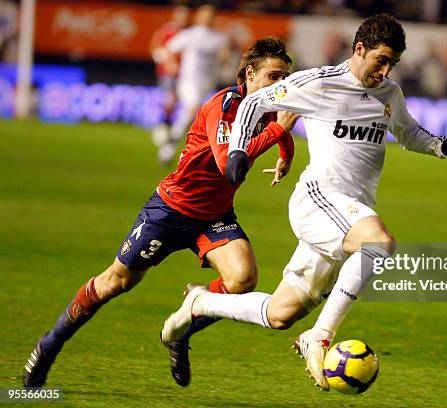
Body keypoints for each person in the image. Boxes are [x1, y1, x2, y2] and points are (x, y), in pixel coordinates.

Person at [161, 14, 447, 390]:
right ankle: (320, 336)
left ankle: (200, 304)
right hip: (319, 200)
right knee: (379, 242)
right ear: (359, 49)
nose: (386, 69)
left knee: (280, 314)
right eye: (381, 59)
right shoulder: (320, 83)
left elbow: (407, 133)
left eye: (393, 63)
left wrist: (441, 146)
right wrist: (237, 150)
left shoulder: (389, 93)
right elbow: (254, 104)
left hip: (349, 216)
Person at [23, 37, 298, 388]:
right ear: (250, 74)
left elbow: (279, 123)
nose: (282, 84)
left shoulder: (269, 106)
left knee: (243, 279)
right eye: (274, 76)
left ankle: (181, 330)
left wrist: (285, 153)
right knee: (116, 282)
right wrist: (279, 132)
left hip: (214, 216)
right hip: (170, 210)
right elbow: (228, 166)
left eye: (286, 77)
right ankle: (49, 345)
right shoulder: (224, 106)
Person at [157, 4, 231, 165]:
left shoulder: (219, 38)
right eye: (205, 14)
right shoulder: (189, 35)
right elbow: (168, 49)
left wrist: (224, 57)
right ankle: (172, 142)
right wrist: (171, 64)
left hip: (208, 84)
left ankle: (170, 147)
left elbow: (225, 58)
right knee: (192, 108)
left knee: (195, 118)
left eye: (211, 15)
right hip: (188, 81)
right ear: (198, 16)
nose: (207, 18)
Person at [149, 5, 190, 150]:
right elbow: (156, 46)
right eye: (180, 15)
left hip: (185, 75)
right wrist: (163, 59)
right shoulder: (167, 31)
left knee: (177, 101)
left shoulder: (188, 32)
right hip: (168, 73)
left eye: (185, 15)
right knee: (170, 98)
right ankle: (163, 126)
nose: (182, 18)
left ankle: (167, 126)